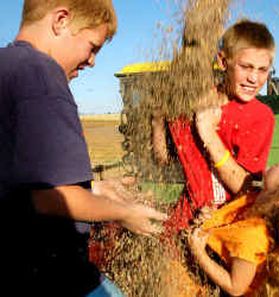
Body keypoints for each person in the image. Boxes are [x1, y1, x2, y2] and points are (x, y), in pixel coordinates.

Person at [0, 1, 166, 295]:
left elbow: (20, 181)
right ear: (61, 20)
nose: (92, 61)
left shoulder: (8, 67)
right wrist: (124, 212)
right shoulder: (42, 76)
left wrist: (95, 188)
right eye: (93, 47)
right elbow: (49, 197)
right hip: (51, 275)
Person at [153, 20, 276, 234]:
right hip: (182, 224)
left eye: (263, 70)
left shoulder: (260, 117)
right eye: (245, 67)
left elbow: (245, 189)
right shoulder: (191, 104)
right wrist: (157, 120)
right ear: (222, 61)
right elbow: (163, 160)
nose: (254, 78)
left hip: (226, 232)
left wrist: (208, 133)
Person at [187, 160, 279, 296]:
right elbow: (228, 229)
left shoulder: (253, 237)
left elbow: (235, 287)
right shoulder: (256, 200)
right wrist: (210, 217)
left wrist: (200, 254)